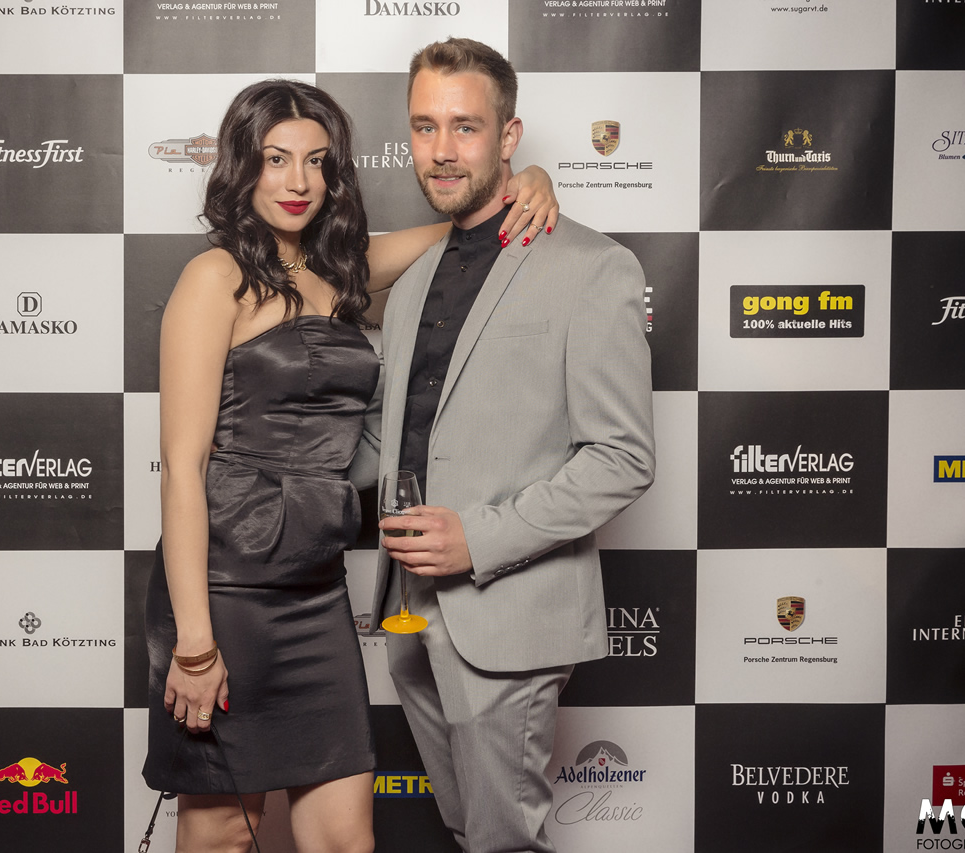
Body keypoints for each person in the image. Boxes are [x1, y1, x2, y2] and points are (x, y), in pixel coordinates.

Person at [141, 78, 560, 853]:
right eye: (275, 159)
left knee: (344, 836)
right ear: (242, 165)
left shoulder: (340, 269)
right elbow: (181, 465)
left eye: (316, 161)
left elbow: (457, 227)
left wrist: (525, 180)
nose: (298, 181)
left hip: (315, 589)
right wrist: (194, 643)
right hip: (226, 591)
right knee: (222, 830)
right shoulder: (215, 278)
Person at [350, 39, 656, 853]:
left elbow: (624, 456)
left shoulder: (592, 266)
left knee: (502, 840)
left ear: (509, 135)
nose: (442, 150)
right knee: (470, 832)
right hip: (410, 608)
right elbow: (396, 432)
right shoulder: (413, 281)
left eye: (466, 127)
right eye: (425, 127)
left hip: (508, 613)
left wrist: (478, 539)